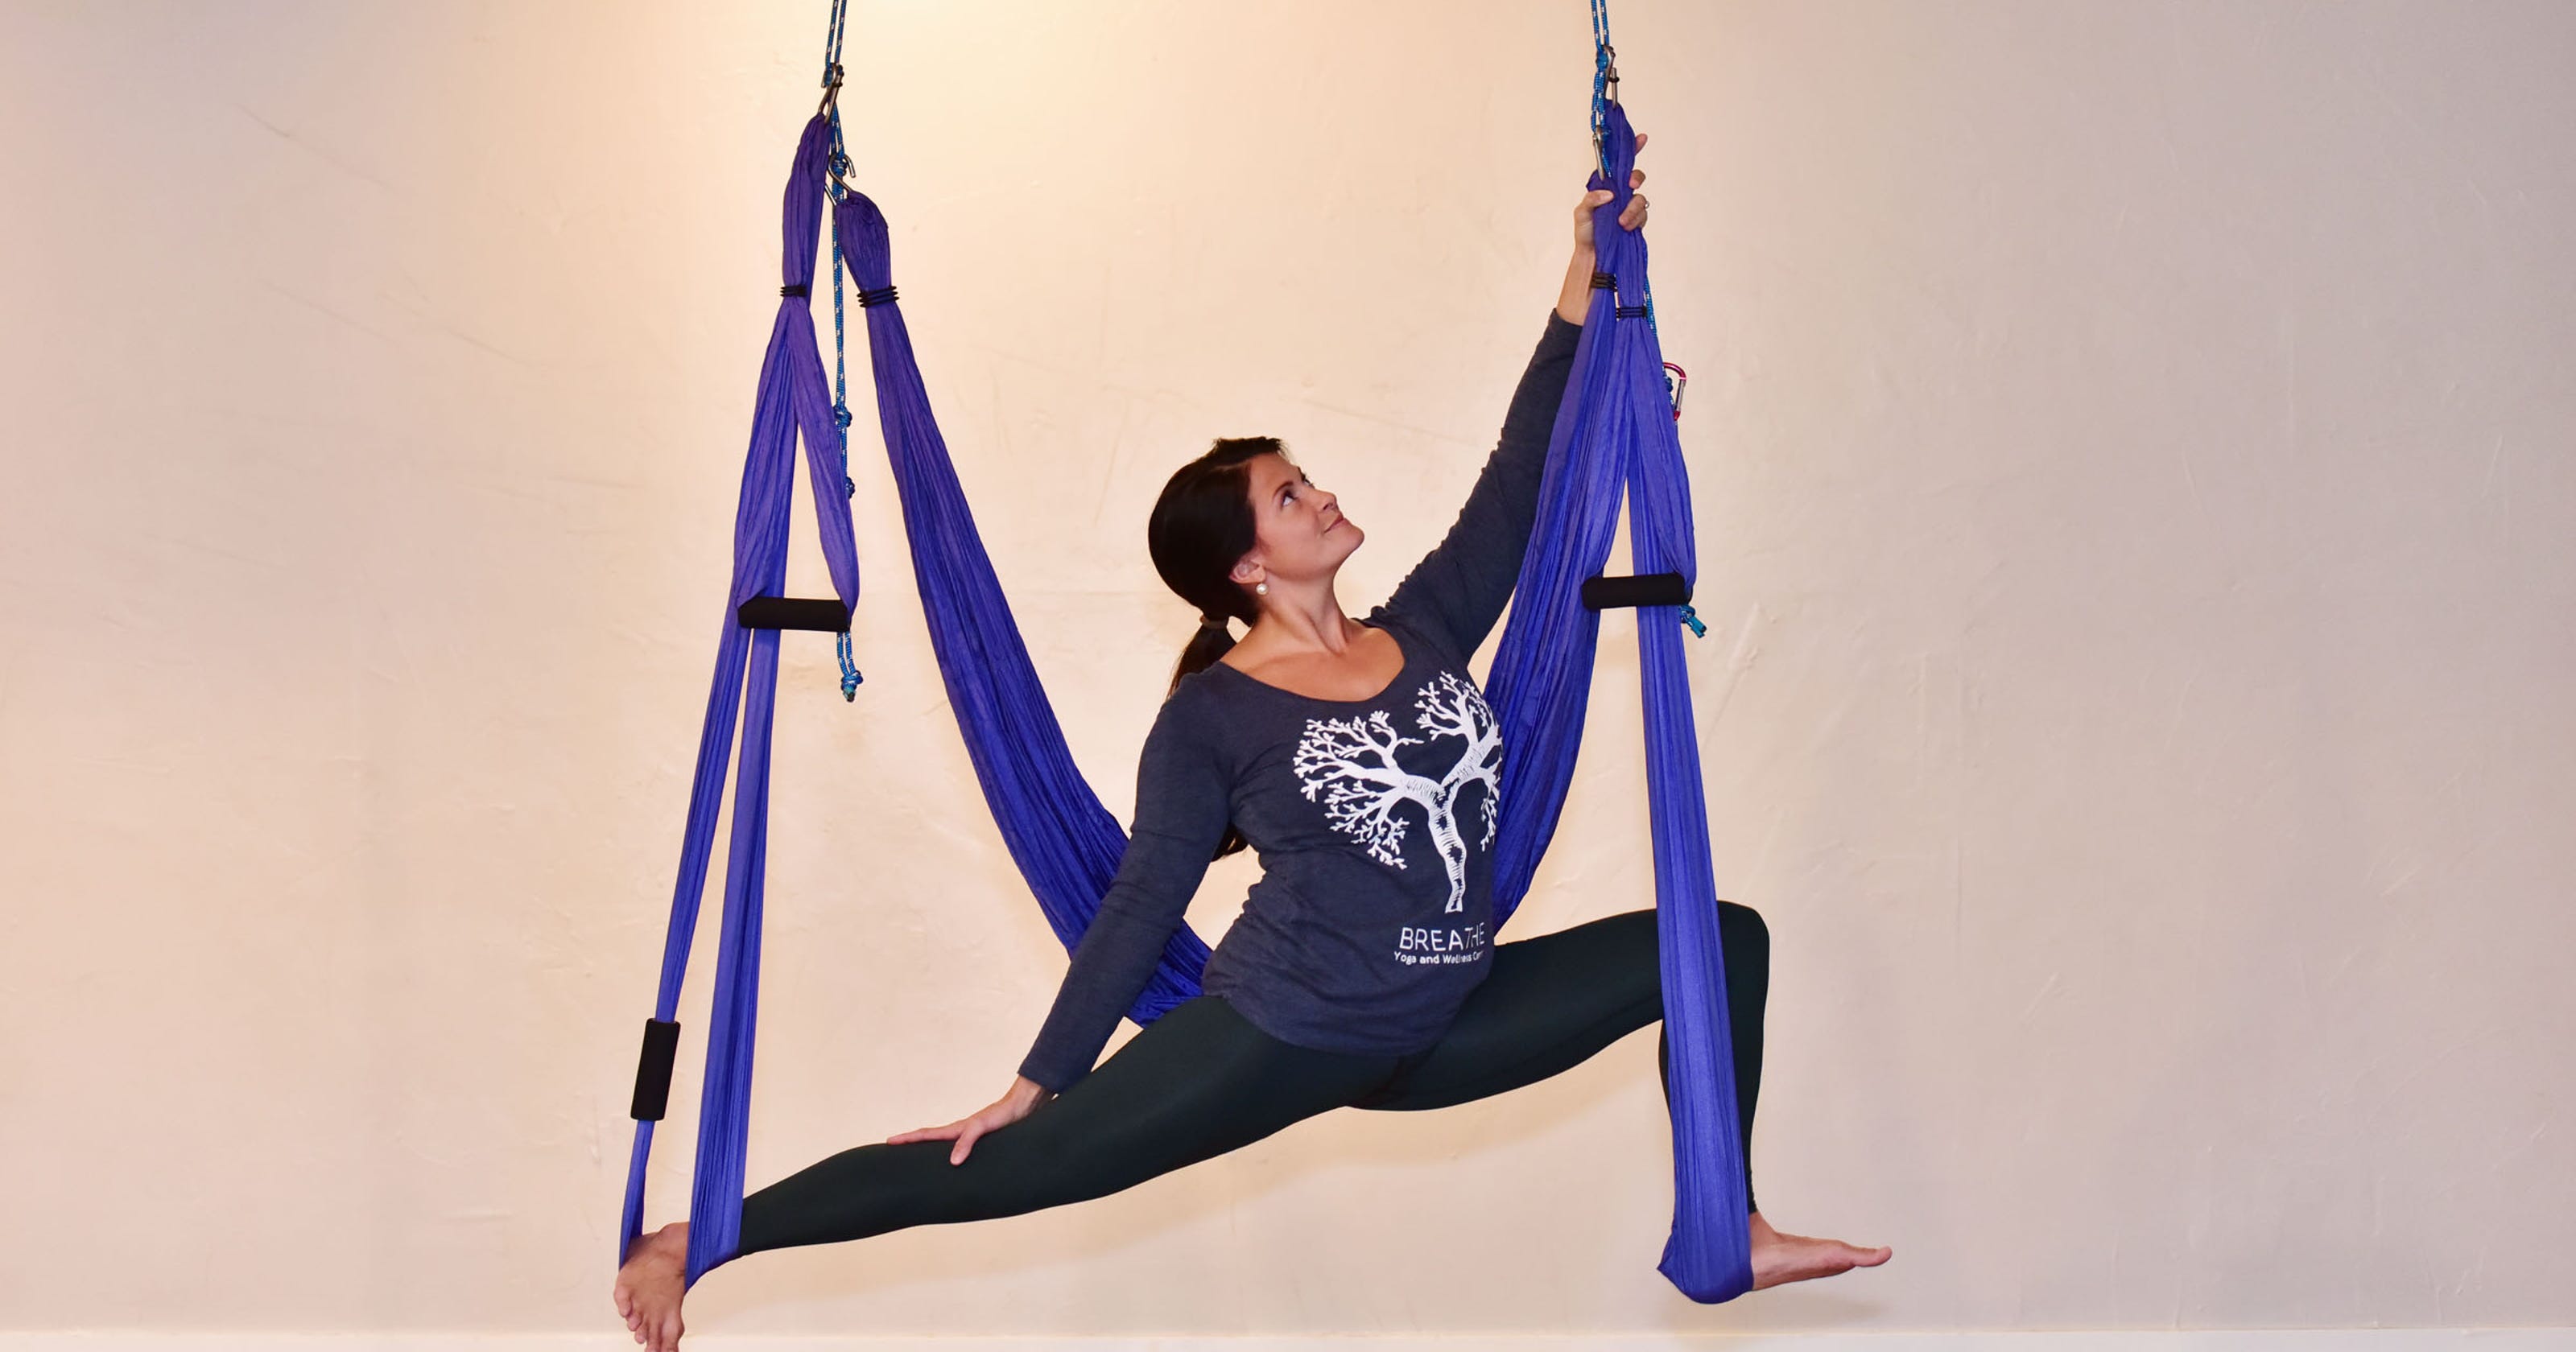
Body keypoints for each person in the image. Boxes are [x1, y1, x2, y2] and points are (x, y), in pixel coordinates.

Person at [616, 135, 1888, 1352]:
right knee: (1010, 1170)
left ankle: (1728, 1223)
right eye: (1291, 496)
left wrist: (1586, 281)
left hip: (1447, 1014)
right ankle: (703, 1239)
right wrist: (1038, 1078)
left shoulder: (1426, 627)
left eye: (1304, 478)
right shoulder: (1211, 718)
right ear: (1245, 566)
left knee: (1724, 940)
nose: (1322, 495)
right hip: (1285, 1028)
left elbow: (1516, 481)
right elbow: (1139, 903)